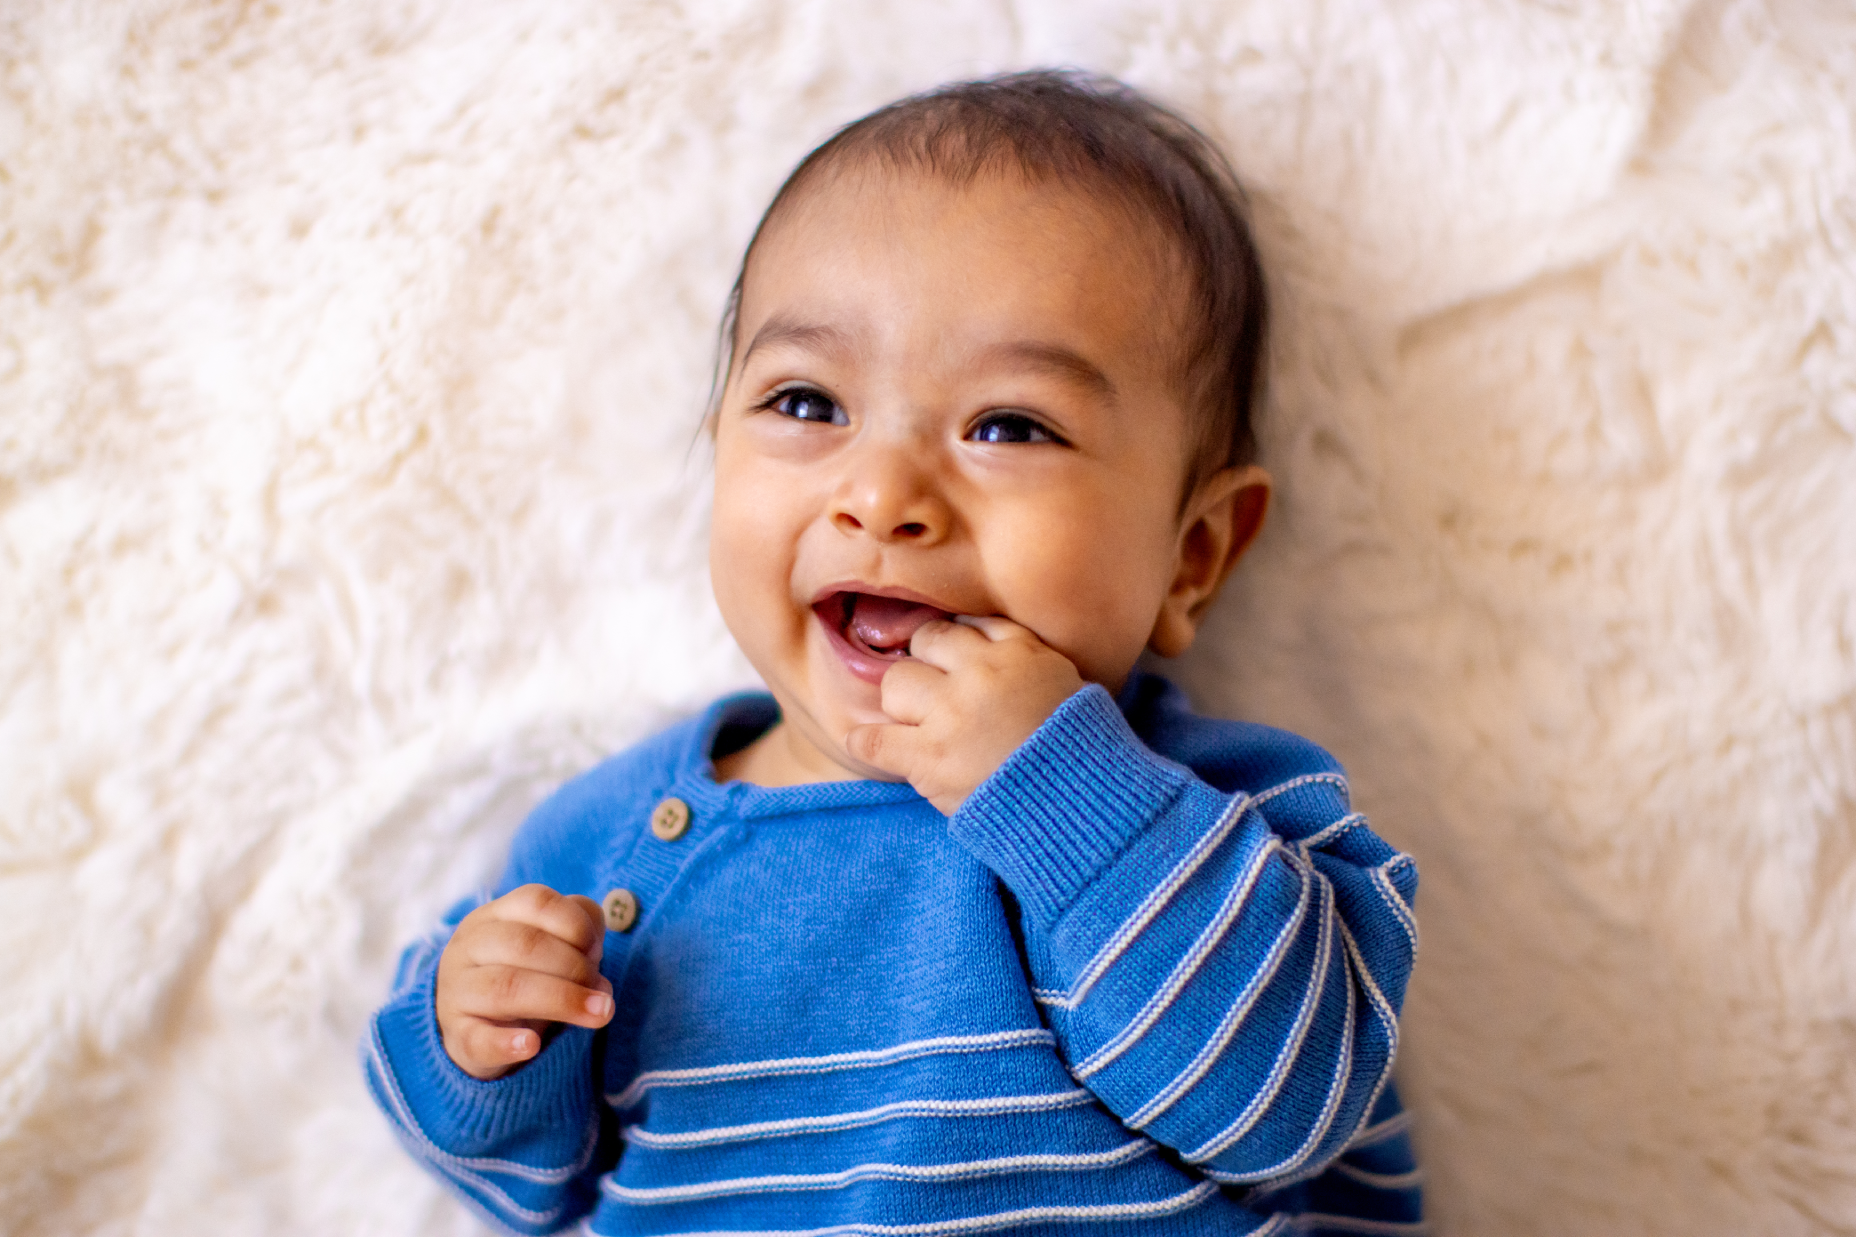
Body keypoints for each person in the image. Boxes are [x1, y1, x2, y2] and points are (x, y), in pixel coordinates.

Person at [363, 70, 1423, 1237]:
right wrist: (484, 1042)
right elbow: (517, 1192)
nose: (880, 494)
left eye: (1007, 426)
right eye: (808, 404)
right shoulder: (608, 844)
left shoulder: (1217, 819)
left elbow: (1282, 1103)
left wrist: (1061, 797)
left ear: (1190, 556)